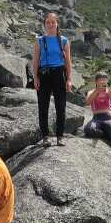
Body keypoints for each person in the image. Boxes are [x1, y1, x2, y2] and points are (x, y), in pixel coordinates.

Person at [32, 12, 72, 146]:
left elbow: (68, 62)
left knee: (61, 106)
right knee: (43, 107)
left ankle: (60, 136)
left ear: (57, 24)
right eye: (48, 22)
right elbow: (35, 61)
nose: (50, 24)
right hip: (44, 75)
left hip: (59, 74)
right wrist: (35, 78)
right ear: (45, 24)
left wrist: (69, 79)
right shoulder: (40, 40)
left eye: (53, 22)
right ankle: (45, 137)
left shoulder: (64, 41)